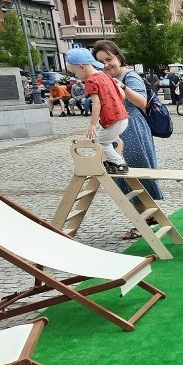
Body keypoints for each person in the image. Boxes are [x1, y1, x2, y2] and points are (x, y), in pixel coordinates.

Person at [93, 40, 164, 238]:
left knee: (137, 174)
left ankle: (146, 221)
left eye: (109, 59)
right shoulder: (103, 77)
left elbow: (142, 102)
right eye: (101, 62)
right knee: (123, 178)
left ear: (118, 57)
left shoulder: (130, 76)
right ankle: (144, 220)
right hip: (114, 130)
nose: (107, 65)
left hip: (133, 129)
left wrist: (121, 86)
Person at [65, 47, 128, 175]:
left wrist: (93, 124)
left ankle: (120, 163)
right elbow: (122, 95)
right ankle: (111, 161)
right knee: (105, 141)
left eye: (75, 72)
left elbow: (96, 103)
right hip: (122, 116)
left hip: (112, 119)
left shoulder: (91, 80)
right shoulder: (105, 76)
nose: (76, 75)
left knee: (99, 142)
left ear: (82, 67)